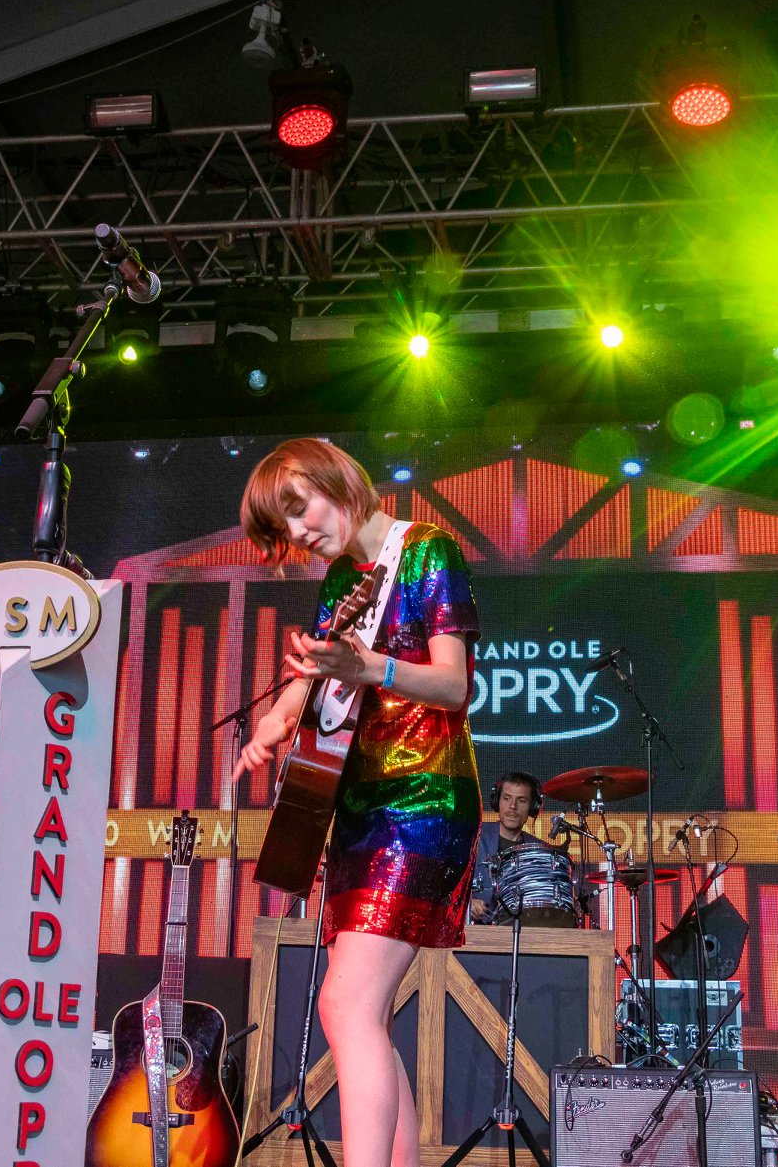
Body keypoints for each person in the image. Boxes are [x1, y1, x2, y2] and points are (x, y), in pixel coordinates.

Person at [234, 437, 480, 1167]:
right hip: (356, 804)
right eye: (287, 528)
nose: (301, 534)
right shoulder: (344, 576)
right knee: (358, 1012)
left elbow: (454, 686)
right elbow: (316, 669)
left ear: (335, 480)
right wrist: (276, 721)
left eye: (299, 509)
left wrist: (367, 664)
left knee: (345, 1006)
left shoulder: (428, 549)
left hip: (422, 795)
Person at [468, 771, 549, 923]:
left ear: (533, 807)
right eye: (506, 798)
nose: (512, 806)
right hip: (474, 935)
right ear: (496, 801)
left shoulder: (541, 851)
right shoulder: (472, 837)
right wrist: (466, 904)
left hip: (524, 935)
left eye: (522, 800)